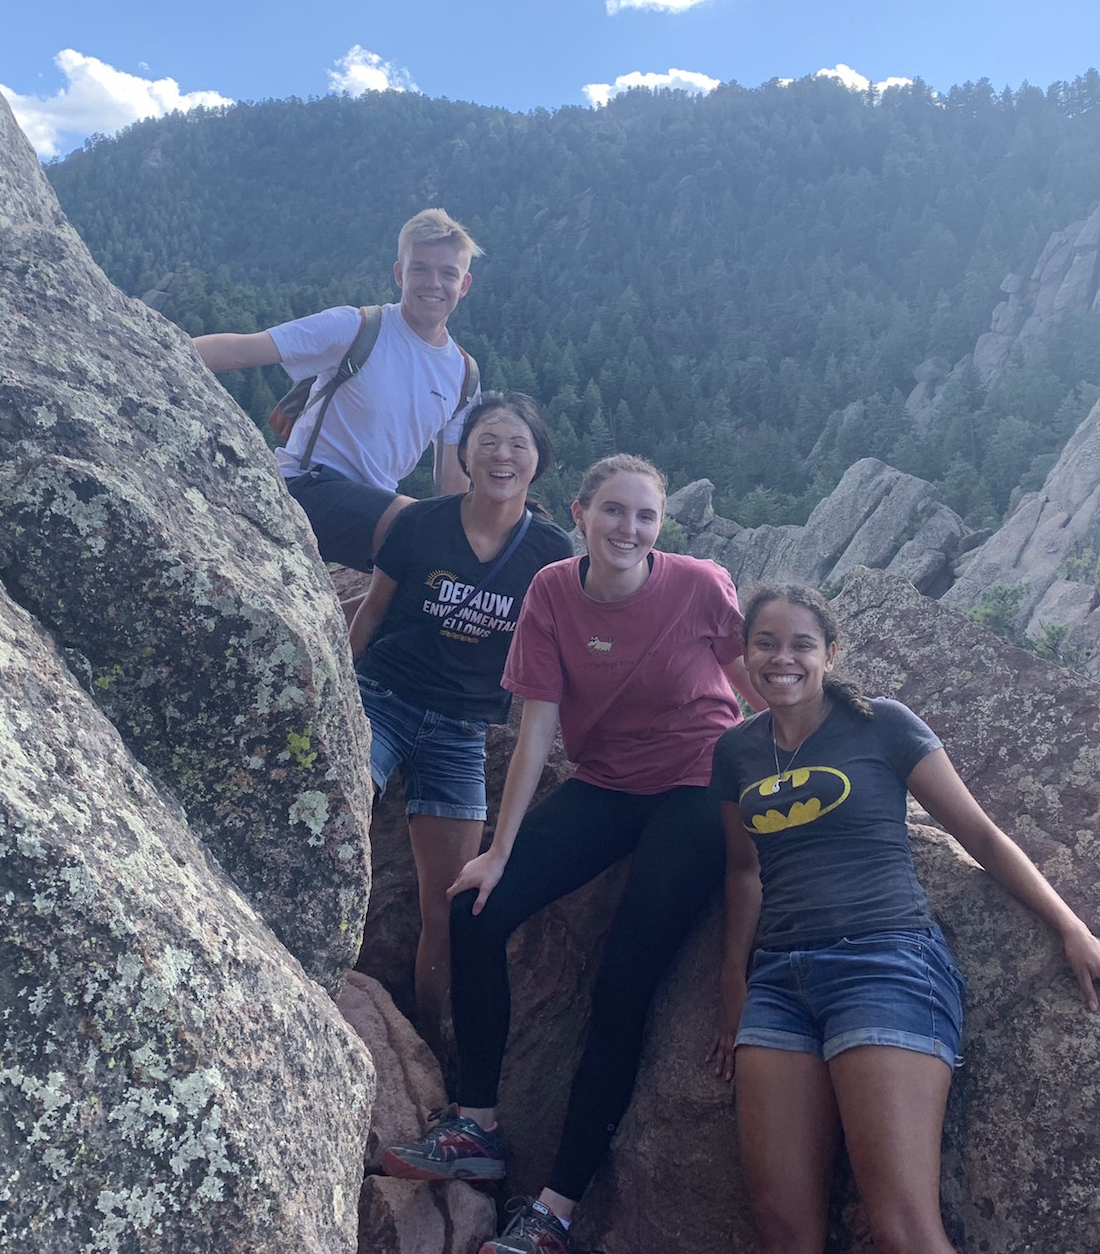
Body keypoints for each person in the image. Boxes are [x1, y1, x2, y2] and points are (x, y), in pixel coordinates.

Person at [381, 454, 758, 1254]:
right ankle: (477, 1124)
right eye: (613, 512)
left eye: (645, 517)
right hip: (609, 781)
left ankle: (552, 1210)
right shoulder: (552, 590)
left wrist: (800, 766)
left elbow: (754, 682)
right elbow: (537, 730)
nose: (629, 529)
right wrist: (500, 850)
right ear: (581, 515)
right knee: (473, 907)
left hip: (697, 782)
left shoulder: (699, 584)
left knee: (623, 982)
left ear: (662, 526)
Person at [707, 584, 1100, 1254]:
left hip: (884, 965)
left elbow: (982, 836)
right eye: (765, 643)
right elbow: (744, 873)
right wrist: (732, 982)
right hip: (778, 984)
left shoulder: (880, 724)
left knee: (902, 1228)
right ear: (744, 654)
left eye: (801, 644)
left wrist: (1072, 927)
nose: (781, 658)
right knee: (780, 1230)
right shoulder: (736, 752)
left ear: (830, 652)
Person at [347, 392, 573, 1044]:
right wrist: (334, 687)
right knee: (336, 810)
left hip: (462, 732)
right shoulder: (420, 524)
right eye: (490, 441)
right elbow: (373, 611)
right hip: (381, 702)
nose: (503, 454)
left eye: (518, 444)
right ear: (466, 453)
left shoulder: (550, 555)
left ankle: (426, 1047)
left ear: (538, 461)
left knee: (450, 908)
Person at [191, 207, 483, 573]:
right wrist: (150, 345)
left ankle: (340, 629)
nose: (433, 283)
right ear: (399, 274)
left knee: (434, 567)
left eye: (448, 273)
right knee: (414, 526)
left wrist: (461, 548)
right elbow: (243, 349)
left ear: (465, 284)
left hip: (375, 506)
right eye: (419, 268)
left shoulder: (463, 376)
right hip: (305, 489)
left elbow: (452, 482)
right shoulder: (357, 328)